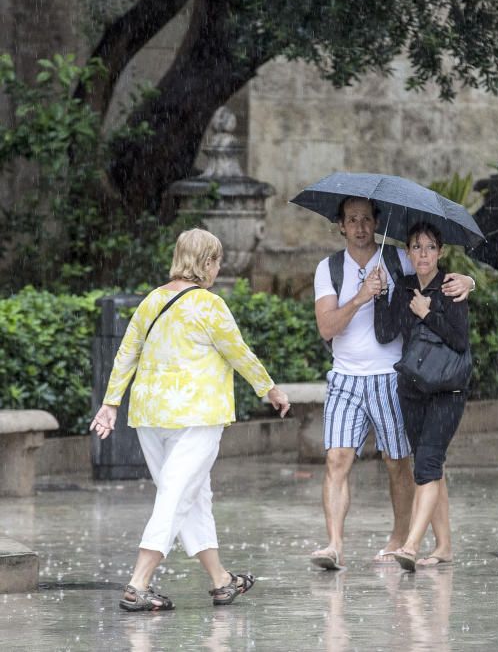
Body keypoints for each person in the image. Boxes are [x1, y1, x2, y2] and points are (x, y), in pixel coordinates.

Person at [90, 228, 291, 612]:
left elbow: (126, 354)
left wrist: (111, 403)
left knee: (193, 496)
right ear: (207, 263)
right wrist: (270, 390)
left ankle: (221, 581)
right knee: (176, 496)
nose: (218, 268)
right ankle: (138, 584)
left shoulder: (151, 301)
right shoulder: (209, 305)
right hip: (196, 415)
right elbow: (239, 353)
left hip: (150, 416)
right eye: (216, 261)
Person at [311, 197, 474, 569]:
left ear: (377, 223)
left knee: (399, 462)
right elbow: (327, 327)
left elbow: (435, 273)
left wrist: (469, 280)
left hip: (391, 376)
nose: (360, 227)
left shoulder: (399, 258)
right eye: (351, 220)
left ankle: (399, 540)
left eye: (366, 219)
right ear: (341, 225)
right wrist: (362, 297)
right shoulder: (329, 268)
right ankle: (334, 544)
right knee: (336, 459)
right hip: (345, 377)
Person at [373, 221, 470, 572]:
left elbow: (459, 340)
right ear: (409, 253)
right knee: (430, 466)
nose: (423, 254)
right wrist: (381, 295)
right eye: (416, 247)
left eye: (430, 247)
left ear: (440, 252)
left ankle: (411, 545)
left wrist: (427, 313)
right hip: (413, 388)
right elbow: (385, 333)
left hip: (448, 389)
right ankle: (443, 546)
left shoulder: (452, 286)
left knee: (427, 464)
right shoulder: (404, 287)